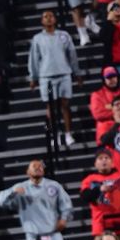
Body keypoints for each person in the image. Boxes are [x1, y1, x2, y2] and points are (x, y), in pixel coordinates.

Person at [28, 10, 82, 147]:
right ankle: (55, 135)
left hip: (64, 74)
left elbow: (72, 55)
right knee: (50, 107)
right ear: (41, 21)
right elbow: (34, 59)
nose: (48, 18)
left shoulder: (64, 35)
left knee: (65, 105)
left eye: (51, 16)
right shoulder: (38, 38)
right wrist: (33, 76)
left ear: (55, 19)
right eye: (45, 17)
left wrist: (77, 73)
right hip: (47, 77)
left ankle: (68, 134)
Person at [80, 148, 120, 240]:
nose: (104, 160)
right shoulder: (90, 179)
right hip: (101, 226)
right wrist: (99, 189)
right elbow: (85, 196)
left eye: (107, 158)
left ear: (112, 162)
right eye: (100, 158)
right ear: (95, 163)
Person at [90, 65, 120, 142]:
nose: (112, 80)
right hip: (106, 132)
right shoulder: (96, 95)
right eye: (108, 78)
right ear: (104, 79)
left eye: (113, 76)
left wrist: (110, 108)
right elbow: (97, 114)